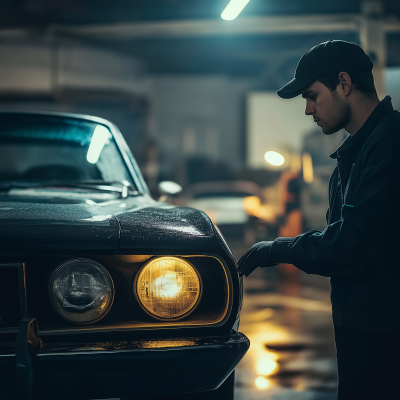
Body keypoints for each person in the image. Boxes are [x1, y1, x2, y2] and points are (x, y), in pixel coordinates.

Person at [238, 39, 400, 399]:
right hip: (363, 326)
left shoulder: (390, 142)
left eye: (313, 96)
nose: (309, 110)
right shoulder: (356, 151)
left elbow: (352, 242)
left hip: (387, 332)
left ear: (344, 84)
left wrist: (278, 249)